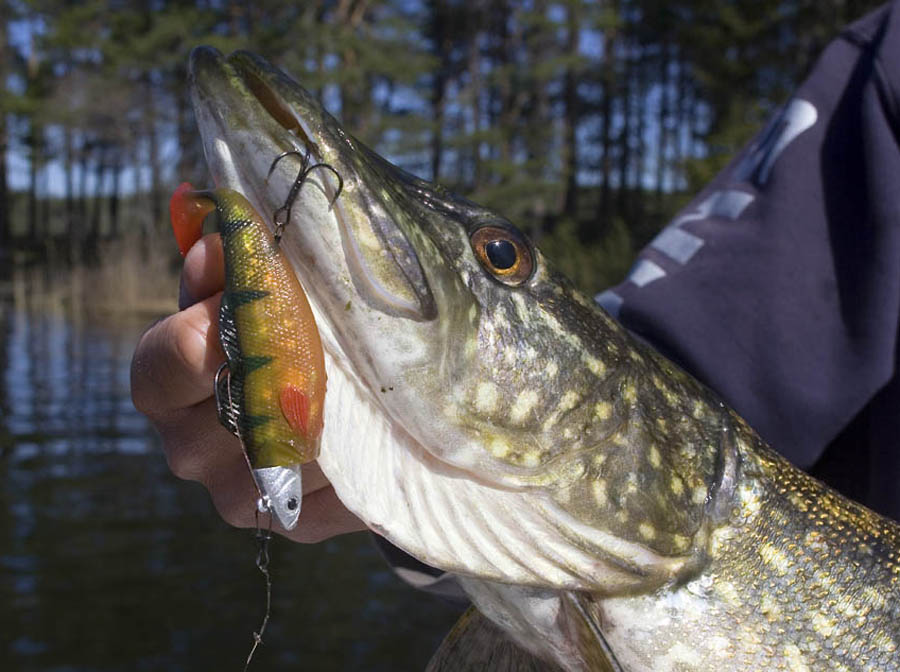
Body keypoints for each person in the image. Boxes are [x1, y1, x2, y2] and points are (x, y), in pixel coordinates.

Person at [131, 0, 900, 566]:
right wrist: (399, 498)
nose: (500, 261)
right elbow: (682, 380)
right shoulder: (885, 79)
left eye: (500, 259)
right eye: (503, 259)